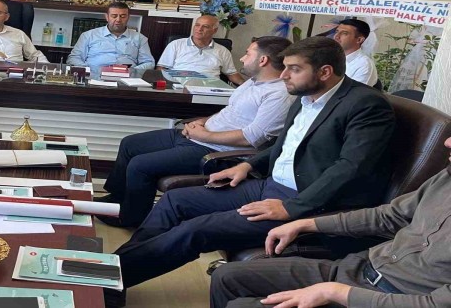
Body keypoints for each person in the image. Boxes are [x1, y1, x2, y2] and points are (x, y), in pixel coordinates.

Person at [109, 36, 396, 297]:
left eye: (294, 69)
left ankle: (109, 282)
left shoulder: (366, 105)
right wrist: (247, 165)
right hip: (270, 186)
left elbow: (351, 167)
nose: (283, 75)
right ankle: (111, 273)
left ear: (324, 72)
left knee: (195, 230)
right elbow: (285, 145)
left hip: (308, 202)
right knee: (175, 201)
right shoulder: (305, 96)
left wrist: (292, 208)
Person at [210, 135, 451, 308]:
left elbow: (434, 304)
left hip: (391, 297)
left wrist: (337, 293)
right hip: (358, 269)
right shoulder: (445, 178)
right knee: (227, 277)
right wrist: (305, 224)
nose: (447, 142)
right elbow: (388, 216)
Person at [98, 37, 295, 227]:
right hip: (200, 136)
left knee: (140, 165)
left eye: (248, 53)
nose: (242, 58)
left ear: (263, 60)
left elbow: (251, 138)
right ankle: (117, 199)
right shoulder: (253, 82)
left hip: (217, 151)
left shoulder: (279, 95)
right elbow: (230, 113)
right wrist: (202, 121)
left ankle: (131, 218)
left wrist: (204, 135)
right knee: (130, 144)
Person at [157, 15, 245, 85]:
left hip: (210, 87)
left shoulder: (222, 51)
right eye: (197, 25)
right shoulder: (176, 44)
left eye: (205, 26)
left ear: (214, 30)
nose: (199, 29)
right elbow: (161, 69)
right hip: (180, 85)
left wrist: (247, 85)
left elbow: (232, 74)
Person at [67, 2, 155, 70]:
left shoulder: (140, 38)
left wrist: (133, 71)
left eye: (123, 16)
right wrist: (87, 69)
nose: (118, 20)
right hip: (95, 76)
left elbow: (149, 62)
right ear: (107, 17)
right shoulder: (88, 35)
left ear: (128, 17)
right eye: (114, 16)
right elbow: (74, 58)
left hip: (127, 78)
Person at [333, 18, 378, 87]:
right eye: (337, 32)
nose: (336, 36)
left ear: (359, 40)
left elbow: (355, 92)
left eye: (344, 33)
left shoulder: (364, 65)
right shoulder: (330, 57)